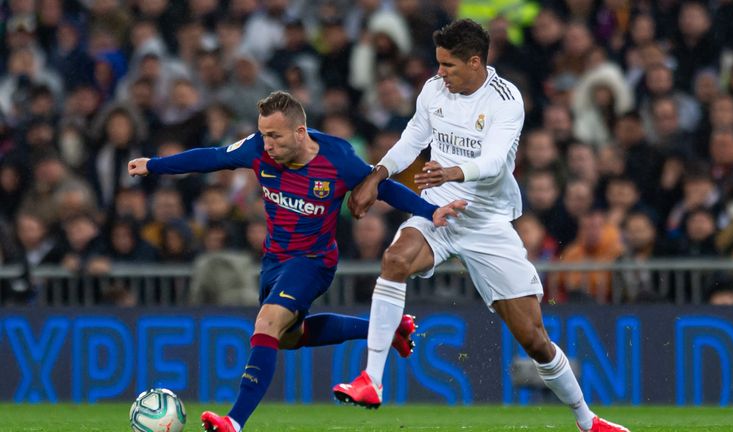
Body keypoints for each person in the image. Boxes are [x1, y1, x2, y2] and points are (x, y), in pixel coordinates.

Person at [332, 20, 629, 432]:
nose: (440, 73)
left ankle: (587, 420)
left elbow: (492, 163)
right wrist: (377, 174)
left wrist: (451, 172)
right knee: (395, 259)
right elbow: (413, 137)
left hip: (486, 220)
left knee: (533, 338)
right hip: (437, 207)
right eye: (438, 64)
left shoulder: (506, 100)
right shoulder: (434, 90)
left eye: (448, 65)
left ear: (475, 62)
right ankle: (372, 380)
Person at [127, 91, 466, 432]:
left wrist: (431, 211)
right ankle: (388, 328)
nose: (267, 143)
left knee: (267, 324)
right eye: (263, 134)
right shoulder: (258, 149)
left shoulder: (338, 158)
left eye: (274, 135)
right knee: (289, 337)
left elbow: (385, 188)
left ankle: (233, 420)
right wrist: (154, 165)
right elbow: (212, 158)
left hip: (312, 261)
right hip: (275, 260)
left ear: (300, 133)